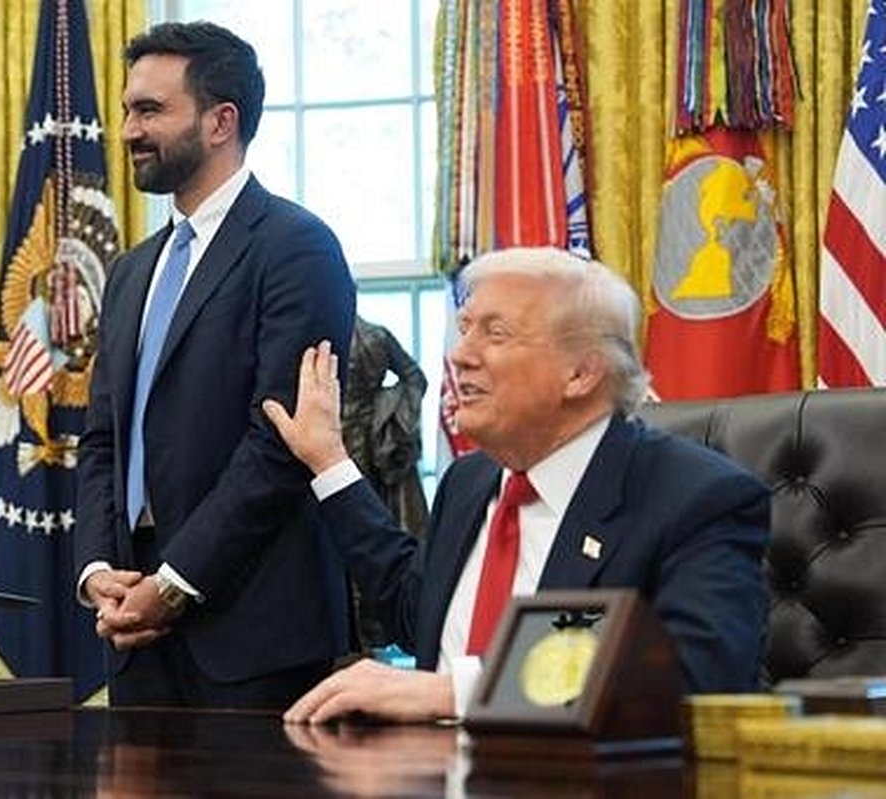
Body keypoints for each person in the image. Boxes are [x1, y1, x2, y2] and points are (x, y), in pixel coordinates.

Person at [262, 246, 769, 723]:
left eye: (496, 334)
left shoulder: (696, 499)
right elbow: (415, 612)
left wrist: (456, 694)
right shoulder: (469, 481)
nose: (460, 355)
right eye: (464, 329)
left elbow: (695, 679)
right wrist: (329, 461)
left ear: (581, 373)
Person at [74, 21, 356, 709]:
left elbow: (280, 444)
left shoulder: (297, 248)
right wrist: (99, 569)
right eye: (127, 110)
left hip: (253, 635)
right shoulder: (131, 271)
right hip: (134, 631)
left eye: (150, 111)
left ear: (221, 121)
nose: (128, 131)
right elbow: (103, 439)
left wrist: (174, 583)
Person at [341, 316, 429, 649]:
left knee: (369, 533)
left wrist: (390, 416)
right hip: (330, 440)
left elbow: (414, 377)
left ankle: (371, 628)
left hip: (372, 447)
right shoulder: (324, 331)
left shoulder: (376, 336)